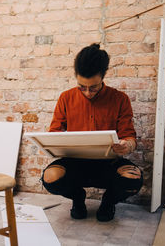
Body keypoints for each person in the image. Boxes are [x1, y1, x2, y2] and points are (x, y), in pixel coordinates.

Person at [41, 43, 143, 222]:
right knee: (50, 178)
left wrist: (127, 145)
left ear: (103, 77)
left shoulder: (120, 99)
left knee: (133, 179)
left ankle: (108, 203)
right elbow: (55, 132)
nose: (87, 92)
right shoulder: (66, 98)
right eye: (82, 87)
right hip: (75, 164)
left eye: (93, 87)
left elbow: (129, 136)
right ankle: (78, 199)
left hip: (108, 164)